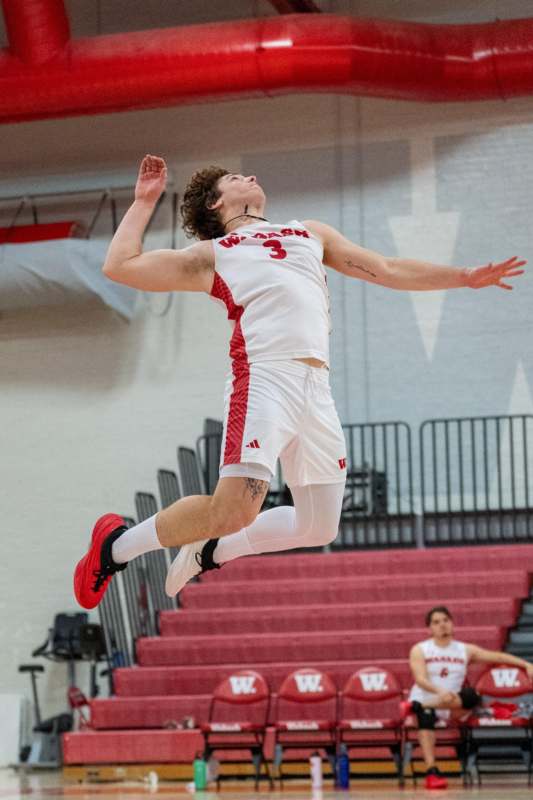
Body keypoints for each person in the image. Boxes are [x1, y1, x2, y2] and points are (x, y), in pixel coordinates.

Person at [73, 154, 526, 610]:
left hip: (316, 385)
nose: (250, 175)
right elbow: (120, 265)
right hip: (265, 378)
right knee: (233, 510)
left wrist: (463, 277)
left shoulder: (309, 231)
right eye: (234, 178)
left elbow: (386, 268)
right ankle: (114, 546)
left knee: (320, 526)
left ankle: (213, 550)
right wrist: (144, 201)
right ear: (216, 204)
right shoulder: (212, 255)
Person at [400, 605, 533, 790]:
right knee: (426, 715)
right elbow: (420, 679)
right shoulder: (420, 649)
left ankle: (414, 706)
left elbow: (497, 657)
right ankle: (431, 772)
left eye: (446, 620)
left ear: (452, 623)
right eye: (436, 622)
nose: (442, 625)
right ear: (429, 628)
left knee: (472, 695)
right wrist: (439, 691)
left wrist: (526, 664)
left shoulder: (464, 650)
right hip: (430, 696)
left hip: (452, 704)